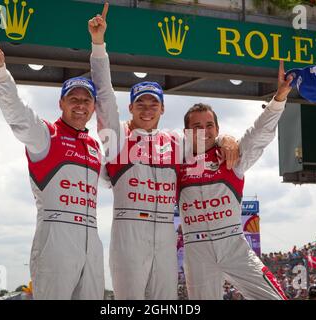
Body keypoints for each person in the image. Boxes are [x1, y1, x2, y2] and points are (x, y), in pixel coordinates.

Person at [87, 4, 239, 299]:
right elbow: (104, 93)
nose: (147, 110)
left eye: (153, 105)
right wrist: (98, 45)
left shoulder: (175, 141)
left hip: (166, 234)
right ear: (130, 107)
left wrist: (227, 138)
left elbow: (208, 136)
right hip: (129, 231)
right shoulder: (117, 137)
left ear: (162, 108)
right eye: (140, 104)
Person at [0, 31, 104, 299]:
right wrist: (0, 73)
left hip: (92, 238)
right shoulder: (46, 135)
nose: (80, 105)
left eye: (86, 100)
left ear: (94, 106)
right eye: (73, 98)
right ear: (61, 103)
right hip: (55, 236)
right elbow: (17, 114)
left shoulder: (95, 146)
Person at [177, 61, 293, 300]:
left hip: (233, 246)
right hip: (196, 251)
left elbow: (259, 134)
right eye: (197, 126)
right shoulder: (175, 161)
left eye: (210, 125)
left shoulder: (231, 156)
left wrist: (279, 97)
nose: (205, 131)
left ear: (217, 128)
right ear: (187, 132)